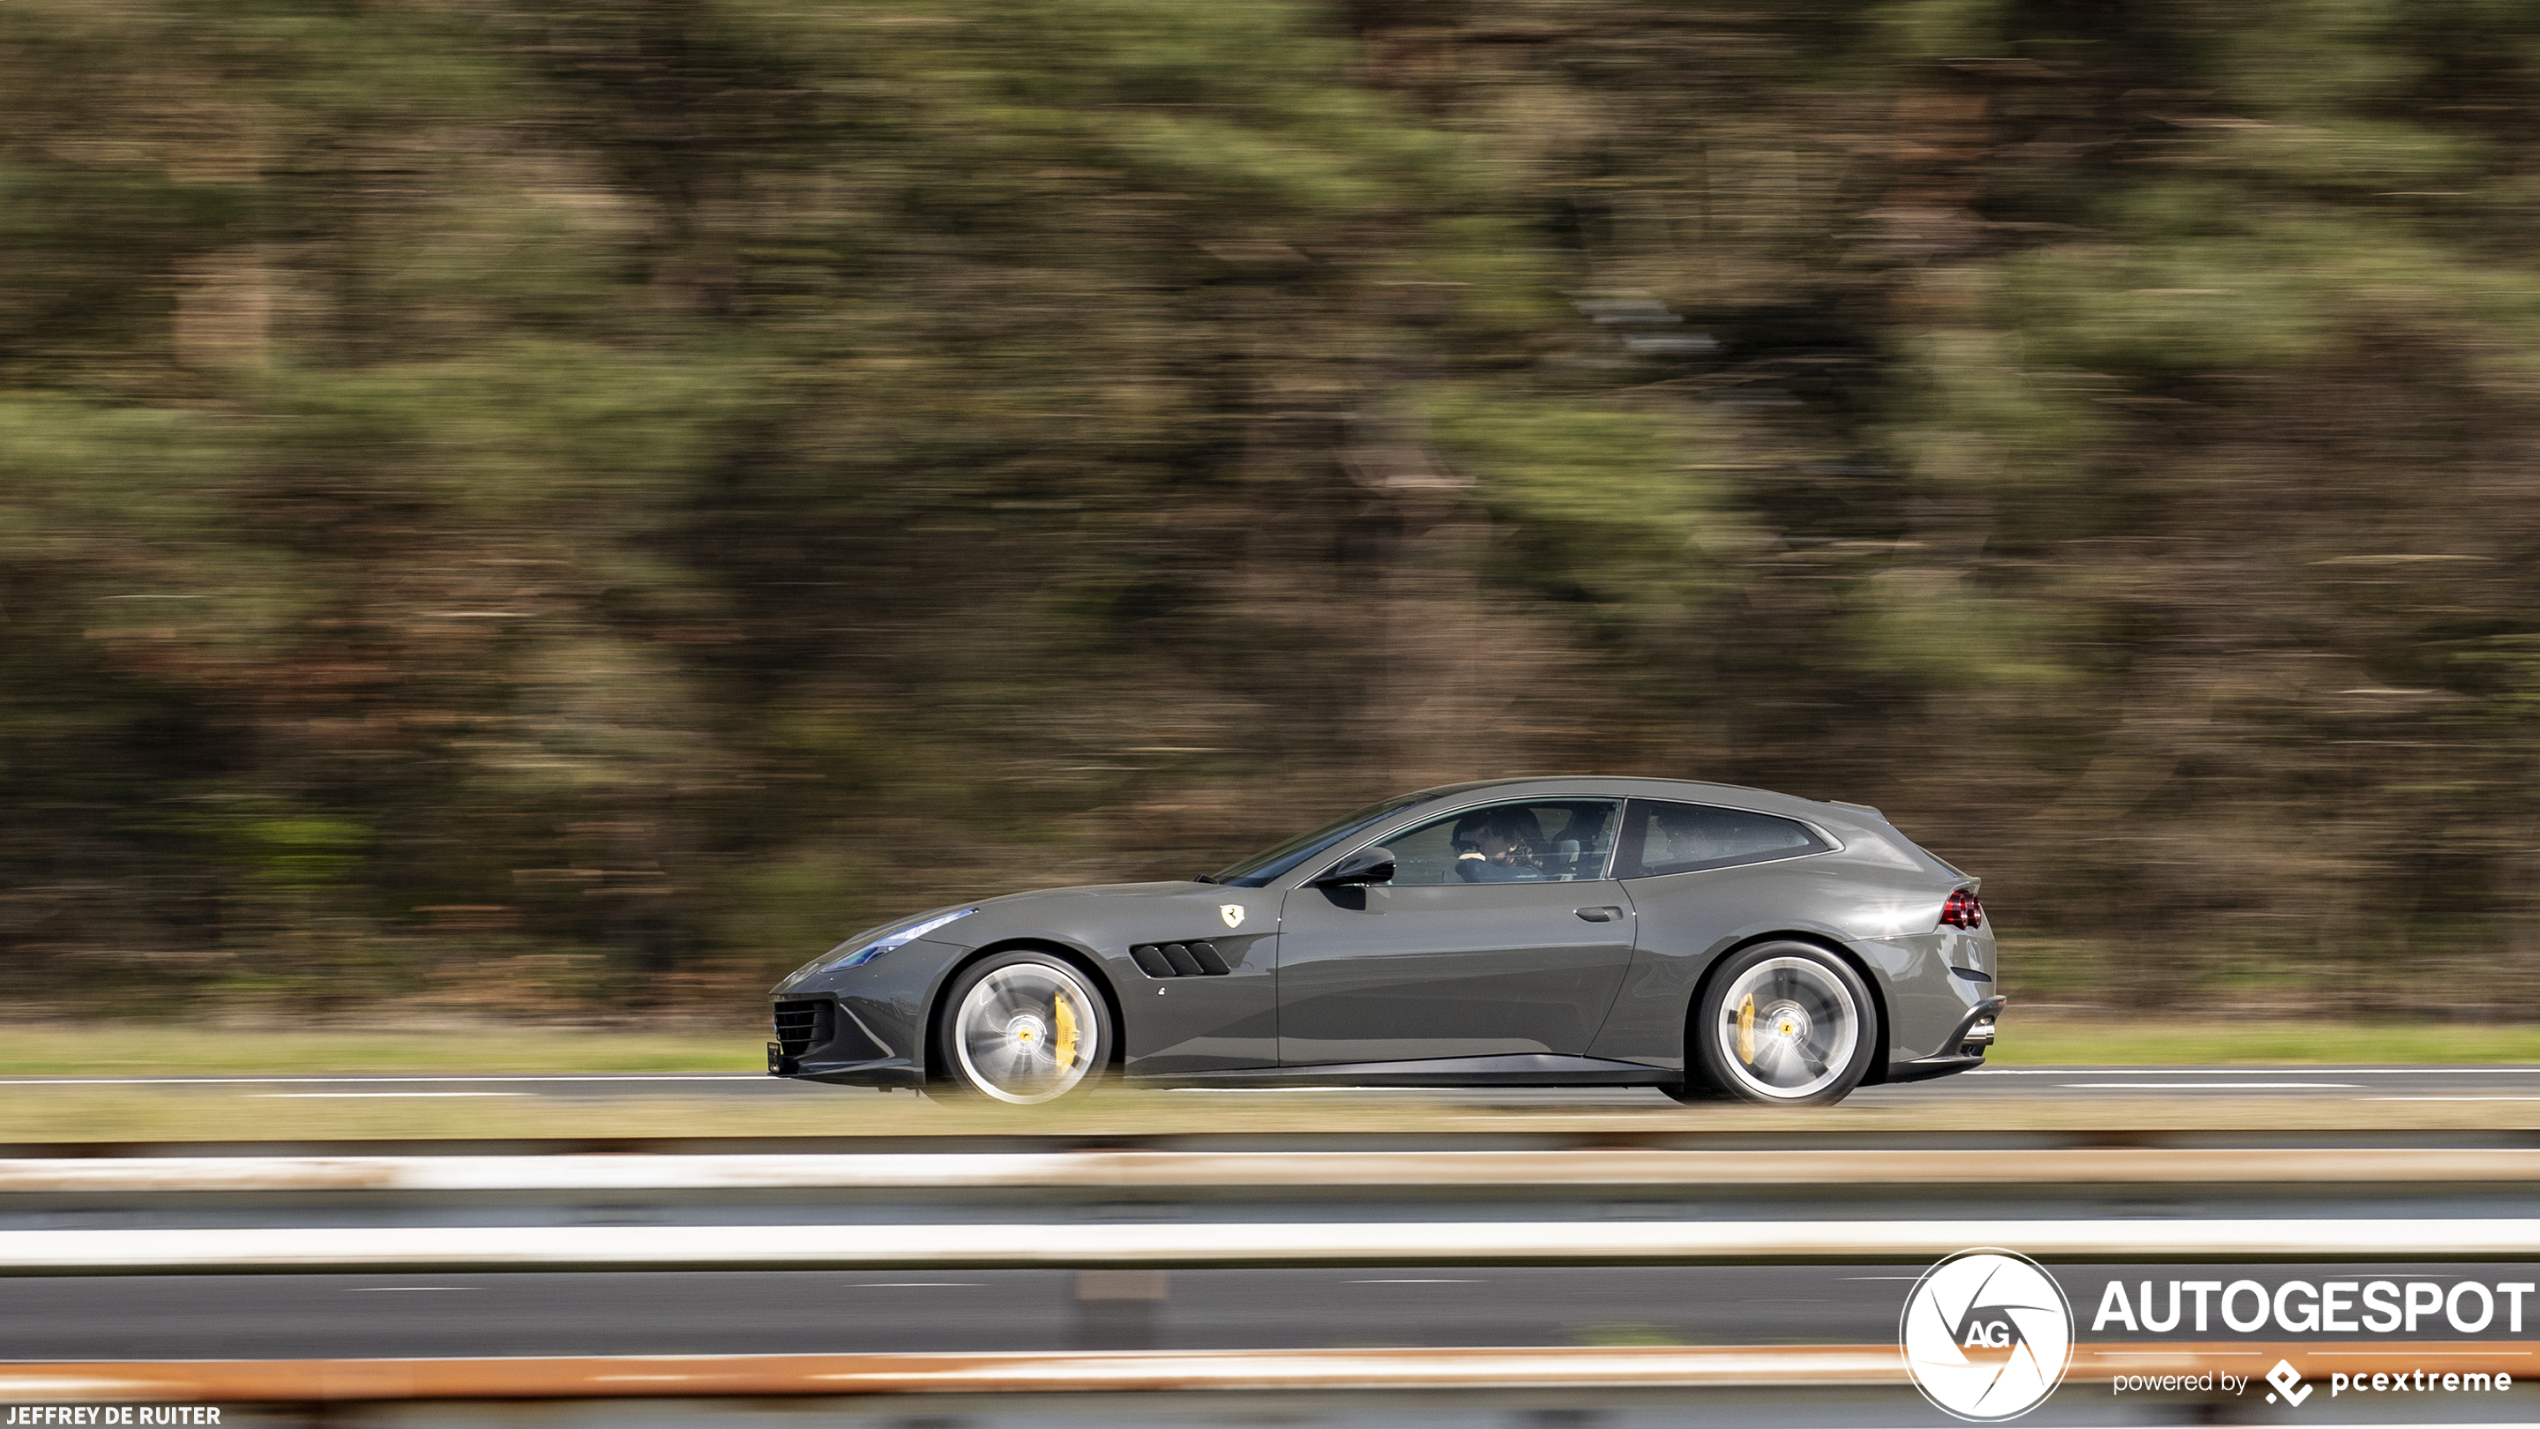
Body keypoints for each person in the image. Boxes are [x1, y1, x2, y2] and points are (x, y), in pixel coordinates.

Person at [1452, 807, 1546, 882]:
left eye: (1487, 836)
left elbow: (1478, 871)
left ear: (1512, 843)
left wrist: (1467, 862)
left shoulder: (1530, 877)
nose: (1479, 844)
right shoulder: (1498, 878)